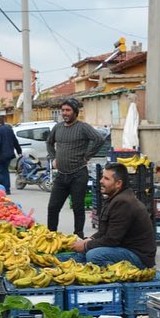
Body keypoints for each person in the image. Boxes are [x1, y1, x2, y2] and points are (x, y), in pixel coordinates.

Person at [60, 162, 155, 267]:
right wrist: (90, 240)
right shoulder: (115, 198)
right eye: (102, 177)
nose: (101, 181)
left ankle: (120, 274)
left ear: (118, 183)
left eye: (106, 179)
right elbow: (104, 232)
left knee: (94, 255)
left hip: (138, 256)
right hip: (121, 248)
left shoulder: (124, 203)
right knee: (81, 254)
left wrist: (86, 245)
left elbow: (112, 239)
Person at [46, 97, 106, 237]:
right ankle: (50, 235)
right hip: (61, 175)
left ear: (75, 112)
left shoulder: (83, 127)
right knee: (53, 207)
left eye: (68, 110)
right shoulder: (58, 127)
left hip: (78, 174)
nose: (65, 113)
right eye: (63, 110)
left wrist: (87, 156)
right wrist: (53, 157)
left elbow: (99, 139)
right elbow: (49, 142)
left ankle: (78, 235)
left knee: (78, 207)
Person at [0, 118, 22, 194]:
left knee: (2, 172)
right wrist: (19, 151)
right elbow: (15, 140)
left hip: (1, 154)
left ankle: (5, 189)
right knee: (5, 171)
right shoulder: (9, 129)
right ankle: (6, 188)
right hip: (10, 153)